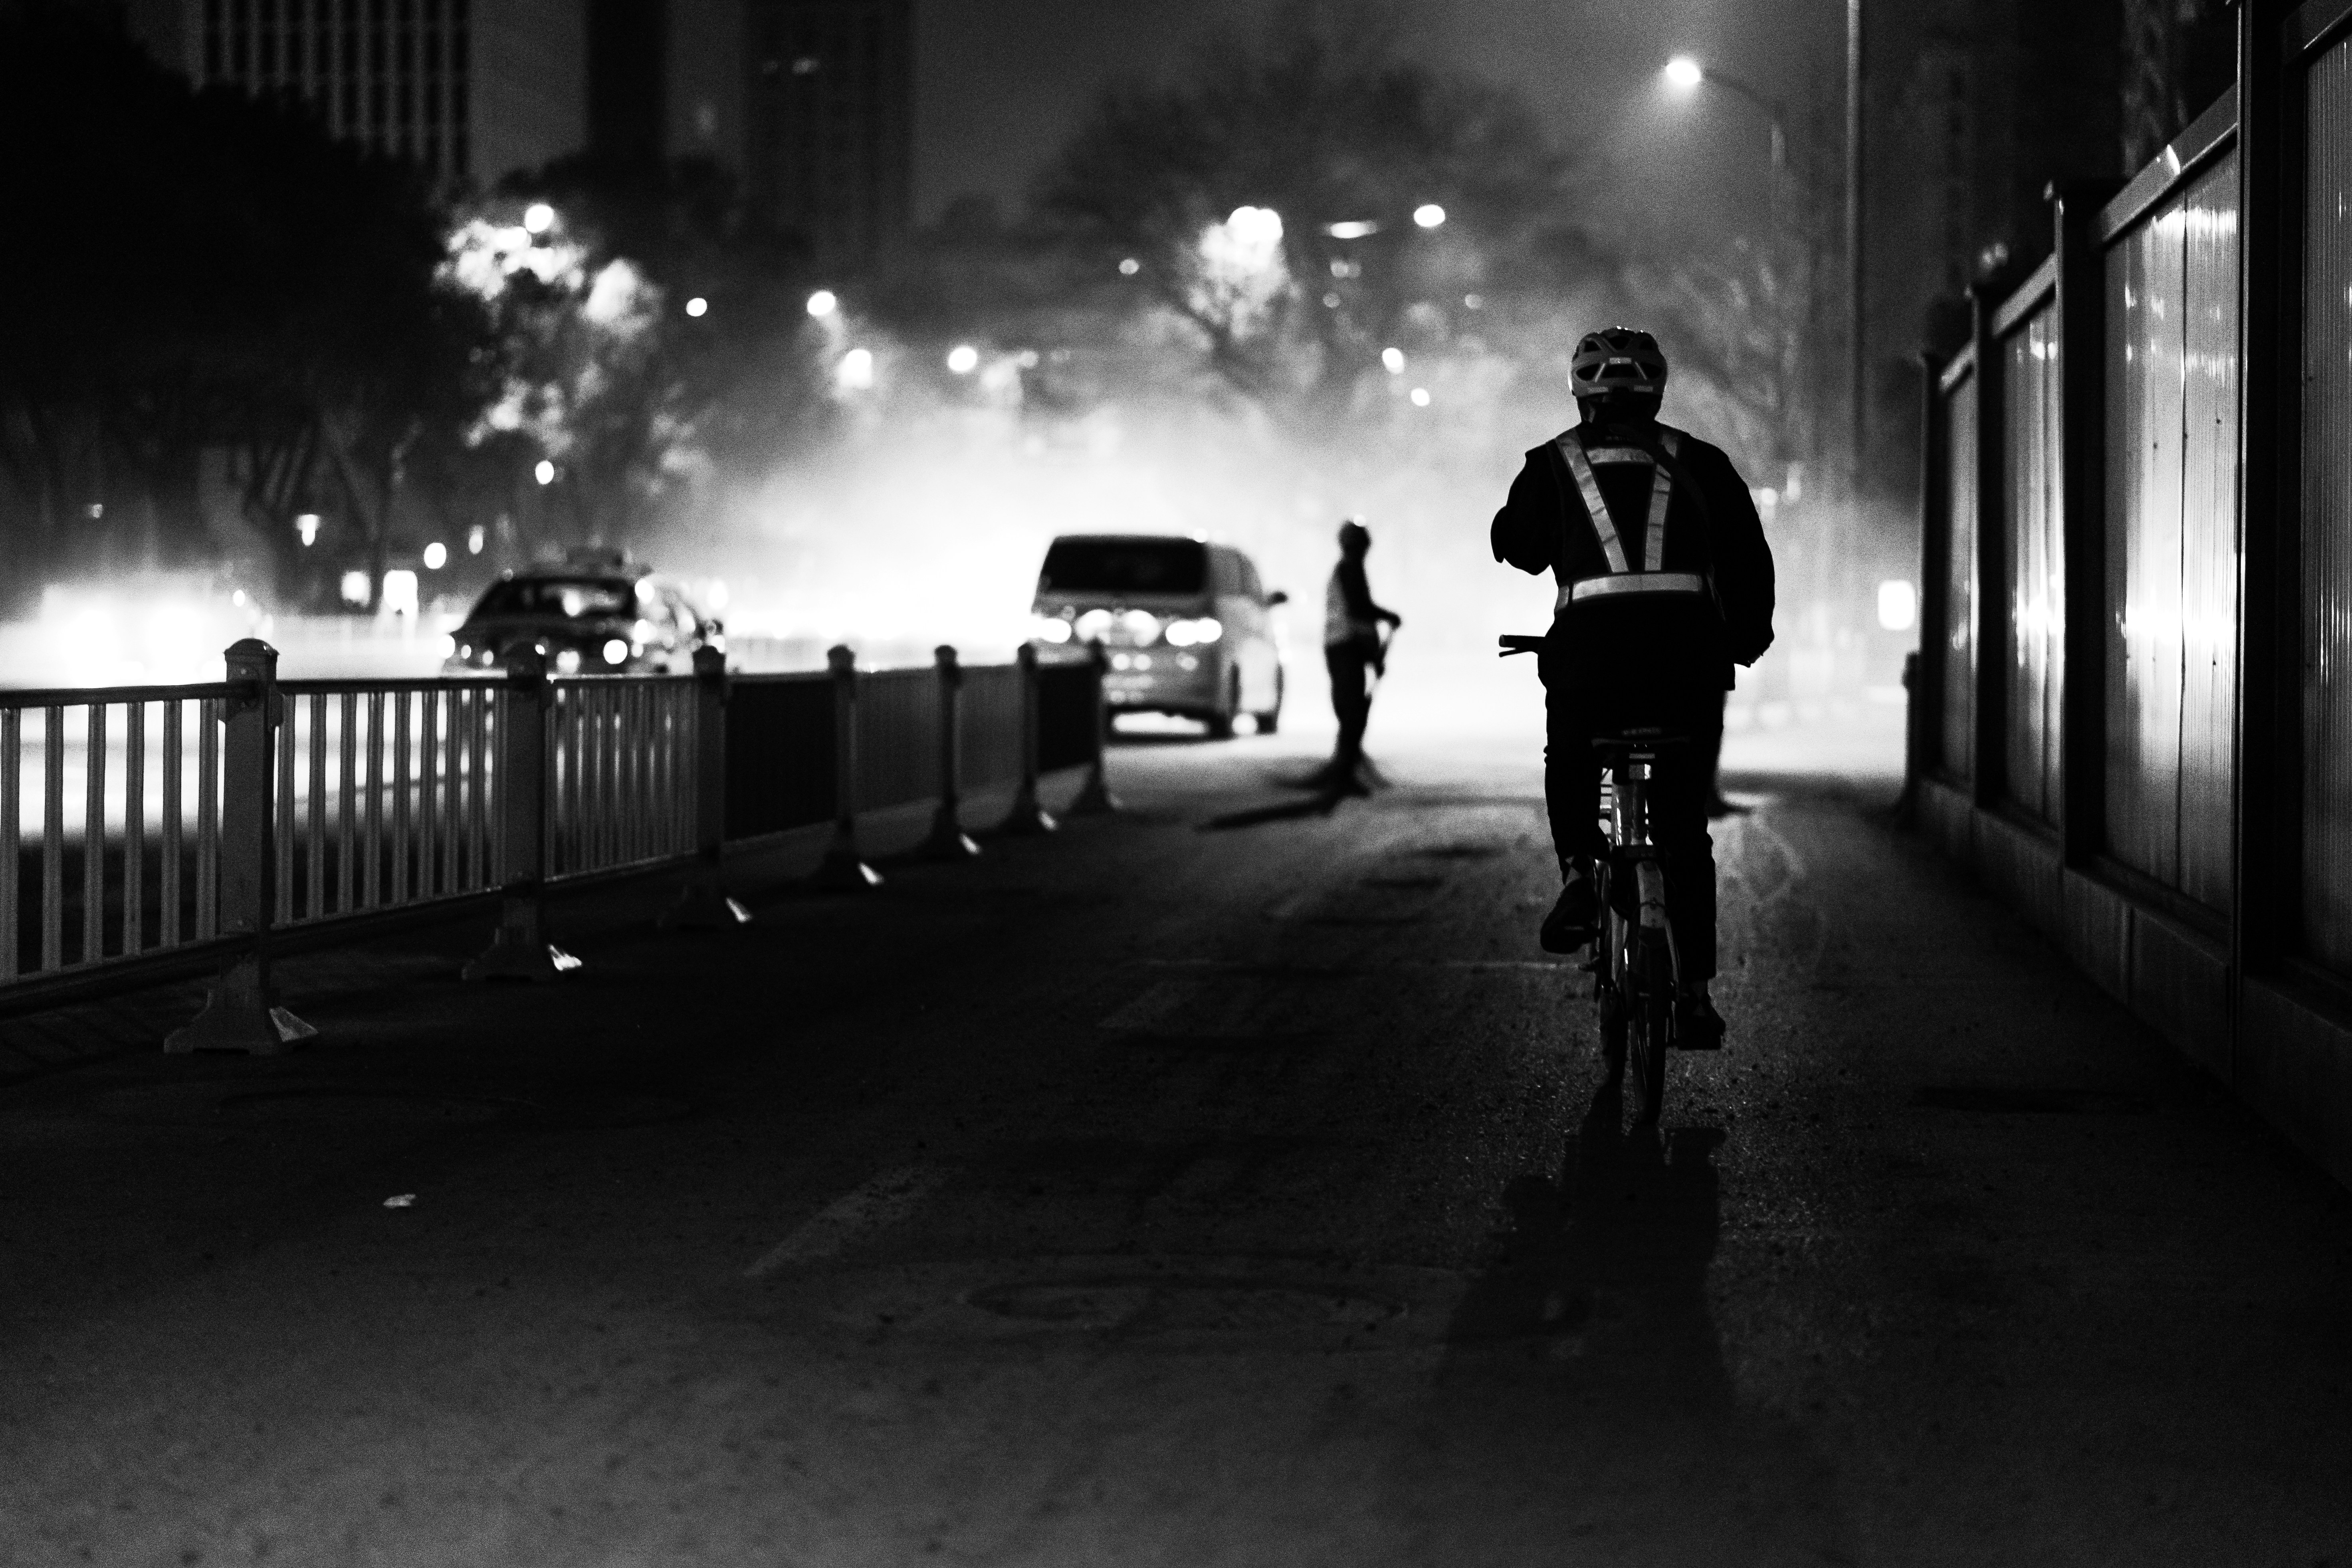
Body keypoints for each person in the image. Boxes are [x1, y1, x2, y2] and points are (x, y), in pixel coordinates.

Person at [1489, 327, 1774, 1047]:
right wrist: (1743, 642)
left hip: (1590, 665)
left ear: (1580, 394)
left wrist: (1511, 526)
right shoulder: (1703, 462)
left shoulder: (1552, 462)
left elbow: (1520, 549)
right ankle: (1697, 997)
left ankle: (1578, 876)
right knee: (1684, 830)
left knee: (1570, 758)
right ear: (1656, 394)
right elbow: (1748, 560)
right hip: (1687, 666)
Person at [1319, 519, 1403, 793]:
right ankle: (1342, 774)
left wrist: (1373, 657)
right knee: (1353, 713)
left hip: (1343, 648)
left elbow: (1359, 615)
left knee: (1351, 713)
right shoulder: (1350, 569)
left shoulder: (1346, 569)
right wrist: (1388, 617)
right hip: (1345, 648)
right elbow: (1359, 610)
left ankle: (1344, 771)